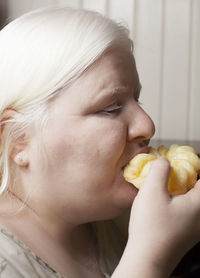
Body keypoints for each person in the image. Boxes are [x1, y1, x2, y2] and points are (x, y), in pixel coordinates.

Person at [0, 7, 200, 278]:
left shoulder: (125, 218)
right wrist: (151, 257)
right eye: (109, 108)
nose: (147, 125)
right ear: (18, 140)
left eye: (136, 100)